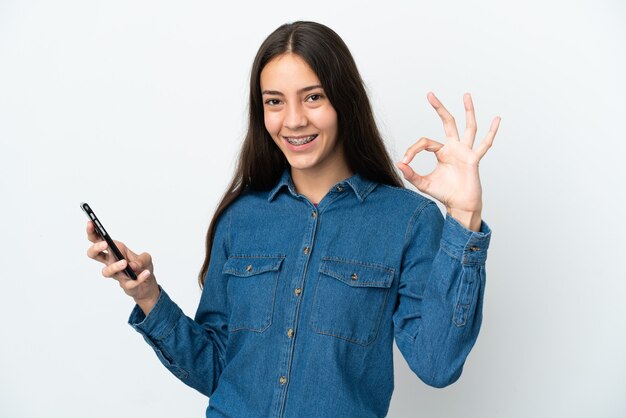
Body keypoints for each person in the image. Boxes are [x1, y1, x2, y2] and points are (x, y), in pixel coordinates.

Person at [85, 21, 500, 418]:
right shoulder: (241, 218)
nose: (294, 119)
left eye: (313, 96)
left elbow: (437, 363)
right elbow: (216, 368)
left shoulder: (407, 221)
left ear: (344, 100)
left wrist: (464, 217)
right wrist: (148, 296)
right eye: (274, 101)